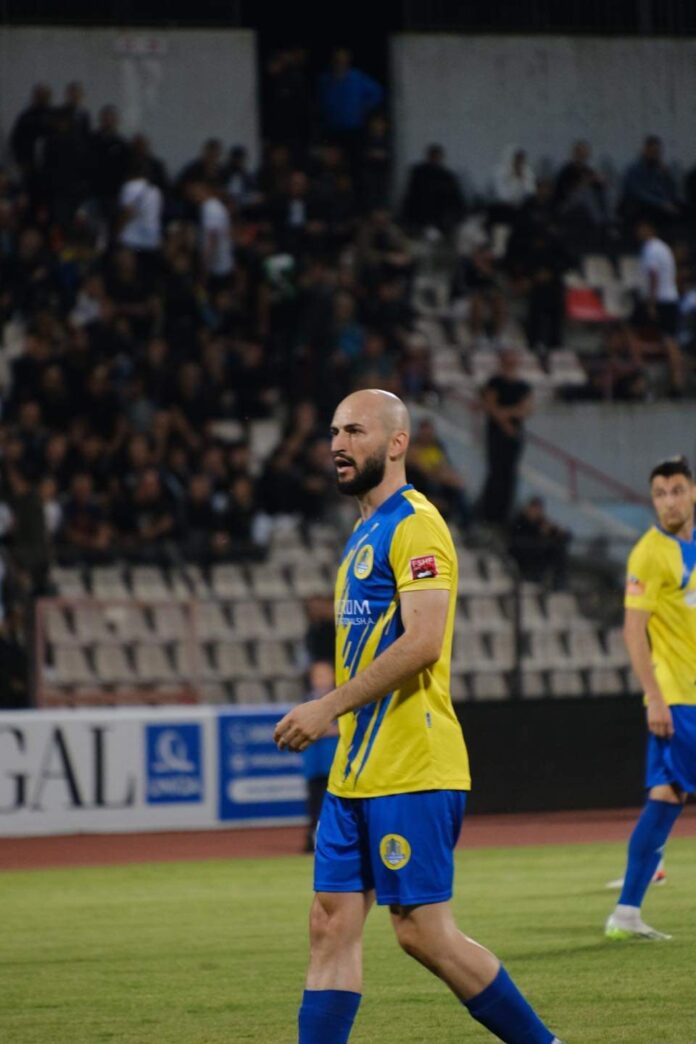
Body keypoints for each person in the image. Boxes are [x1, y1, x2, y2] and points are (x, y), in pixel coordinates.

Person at [274, 388, 563, 1044]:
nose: (338, 444)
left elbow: (425, 641)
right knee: (330, 923)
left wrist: (328, 705)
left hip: (411, 763)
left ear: (397, 443)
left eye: (355, 431)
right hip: (356, 771)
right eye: (334, 431)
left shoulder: (417, 524)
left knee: (422, 934)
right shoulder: (363, 531)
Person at [605, 456, 696, 941]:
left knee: (666, 797)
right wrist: (654, 698)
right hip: (679, 698)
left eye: (677, 490)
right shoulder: (648, 554)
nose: (669, 502)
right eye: (660, 494)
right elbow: (632, 631)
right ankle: (625, 912)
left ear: (693, 492)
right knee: (666, 797)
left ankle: (626, 913)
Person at [626, 219, 685, 396]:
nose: (638, 233)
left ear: (649, 229)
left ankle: (639, 372)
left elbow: (653, 275)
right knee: (670, 339)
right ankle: (677, 383)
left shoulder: (651, 249)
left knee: (630, 329)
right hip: (670, 298)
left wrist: (651, 303)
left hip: (658, 300)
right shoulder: (665, 248)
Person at [479, 349, 533, 528]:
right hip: (497, 434)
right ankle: (490, 514)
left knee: (510, 473)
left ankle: (505, 513)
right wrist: (506, 422)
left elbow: (526, 409)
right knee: (496, 471)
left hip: (514, 435)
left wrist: (506, 414)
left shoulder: (522, 385)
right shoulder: (495, 382)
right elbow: (491, 406)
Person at [301, 661, 340, 853]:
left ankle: (334, 841)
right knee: (314, 804)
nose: (322, 680)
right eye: (318, 676)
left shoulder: (340, 700)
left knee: (334, 804)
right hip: (314, 764)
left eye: (325, 675)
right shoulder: (306, 701)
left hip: (334, 762)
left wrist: (321, 729)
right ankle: (311, 840)